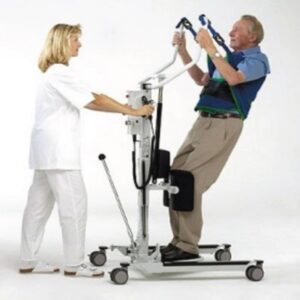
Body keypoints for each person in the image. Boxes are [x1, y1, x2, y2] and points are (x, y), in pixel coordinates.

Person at [19, 24, 154, 277]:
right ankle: (74, 264)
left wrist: (122, 107)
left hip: (45, 151)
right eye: (75, 40)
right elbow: (95, 99)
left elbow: (91, 101)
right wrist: (133, 111)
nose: (79, 44)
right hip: (59, 153)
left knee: (36, 208)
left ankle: (28, 260)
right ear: (61, 42)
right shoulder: (60, 72)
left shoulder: (51, 73)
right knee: (74, 207)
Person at [161, 15, 270, 261]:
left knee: (191, 181)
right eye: (230, 30)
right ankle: (178, 240)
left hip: (224, 123)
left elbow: (233, 78)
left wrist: (211, 47)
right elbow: (201, 79)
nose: (230, 33)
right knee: (177, 174)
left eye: (237, 30)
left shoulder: (257, 61)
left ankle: (188, 246)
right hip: (203, 120)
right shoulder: (225, 59)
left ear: (252, 36)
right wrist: (184, 51)